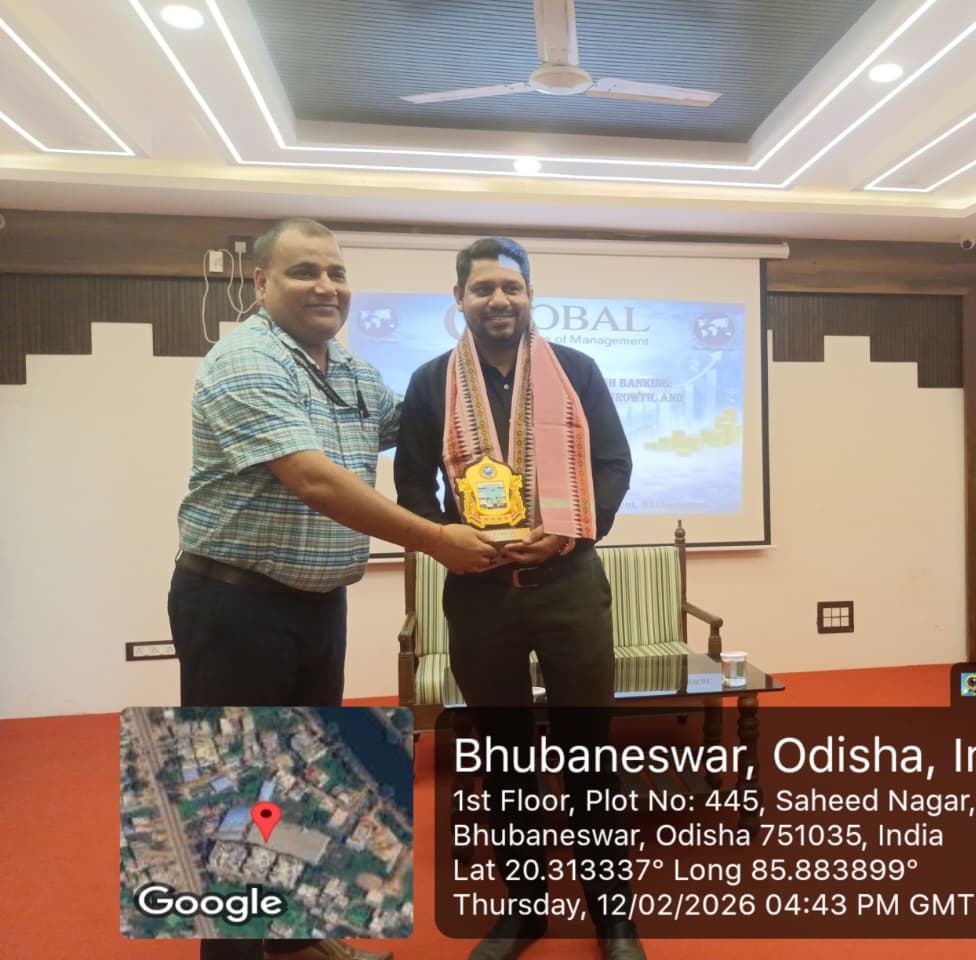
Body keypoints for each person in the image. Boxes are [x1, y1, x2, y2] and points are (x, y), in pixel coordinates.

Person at [170, 218, 497, 960]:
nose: (326, 286)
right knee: (238, 797)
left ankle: (296, 943)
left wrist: (503, 396)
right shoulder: (247, 359)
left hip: (318, 606)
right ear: (261, 282)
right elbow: (313, 478)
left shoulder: (347, 368)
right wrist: (436, 538)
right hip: (235, 606)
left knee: (304, 779)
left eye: (336, 272)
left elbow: (418, 423)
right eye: (304, 271)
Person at [394, 238, 643, 960]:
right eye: (483, 289)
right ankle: (525, 909)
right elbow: (411, 485)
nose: (498, 300)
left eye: (511, 287)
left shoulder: (578, 371)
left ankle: (613, 919)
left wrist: (570, 529)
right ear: (460, 301)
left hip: (568, 587)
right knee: (505, 758)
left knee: (588, 755)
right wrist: (448, 538)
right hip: (479, 596)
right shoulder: (431, 381)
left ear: (532, 295)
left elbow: (614, 464)